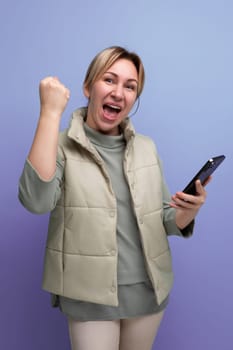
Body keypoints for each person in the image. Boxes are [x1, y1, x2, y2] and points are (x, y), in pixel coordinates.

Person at [18, 46, 210, 350]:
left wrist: (190, 209)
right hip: (89, 296)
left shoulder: (147, 147)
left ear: (135, 97)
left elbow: (164, 220)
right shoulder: (58, 144)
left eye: (130, 86)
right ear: (87, 86)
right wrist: (50, 113)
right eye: (109, 80)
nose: (119, 93)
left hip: (148, 292)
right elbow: (35, 201)